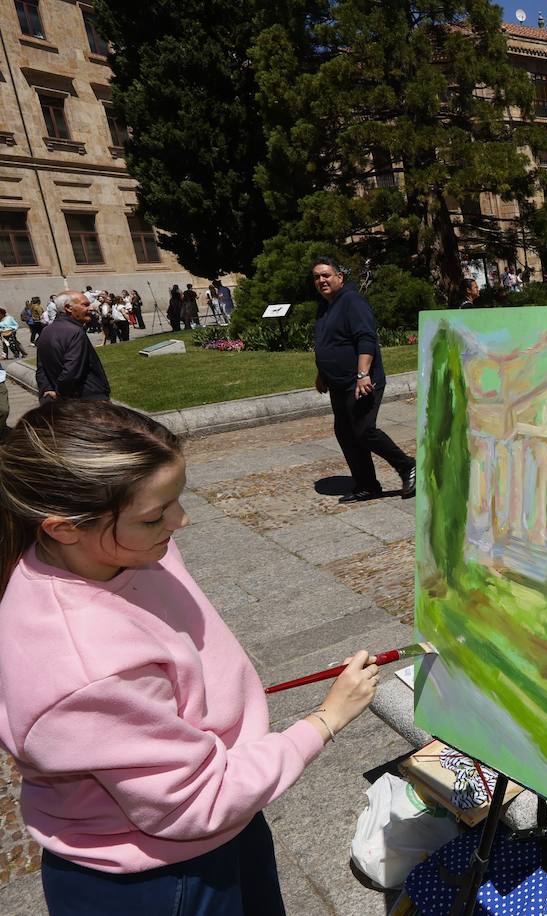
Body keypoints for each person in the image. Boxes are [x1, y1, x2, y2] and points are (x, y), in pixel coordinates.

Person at [0, 399, 380, 915]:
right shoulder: (84, 666)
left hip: (215, 818)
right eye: (156, 514)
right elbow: (197, 803)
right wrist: (325, 719)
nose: (182, 520)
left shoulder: (122, 549)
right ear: (63, 527)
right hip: (160, 875)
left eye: (176, 499)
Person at [311, 257, 416, 503]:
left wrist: (362, 374)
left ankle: (408, 466)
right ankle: (367, 485)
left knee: (364, 430)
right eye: (316, 277)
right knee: (345, 433)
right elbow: (328, 344)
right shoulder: (325, 306)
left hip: (361, 380)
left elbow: (366, 339)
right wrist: (321, 373)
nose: (321, 280)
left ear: (340, 277)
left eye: (326, 275)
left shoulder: (351, 301)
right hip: (338, 383)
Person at [35, 291, 111, 401]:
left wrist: (47, 389)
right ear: (68, 308)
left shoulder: (46, 331)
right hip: (89, 399)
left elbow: (41, 369)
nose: (91, 308)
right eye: (85, 305)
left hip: (64, 401)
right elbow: (71, 371)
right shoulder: (75, 332)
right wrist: (60, 392)